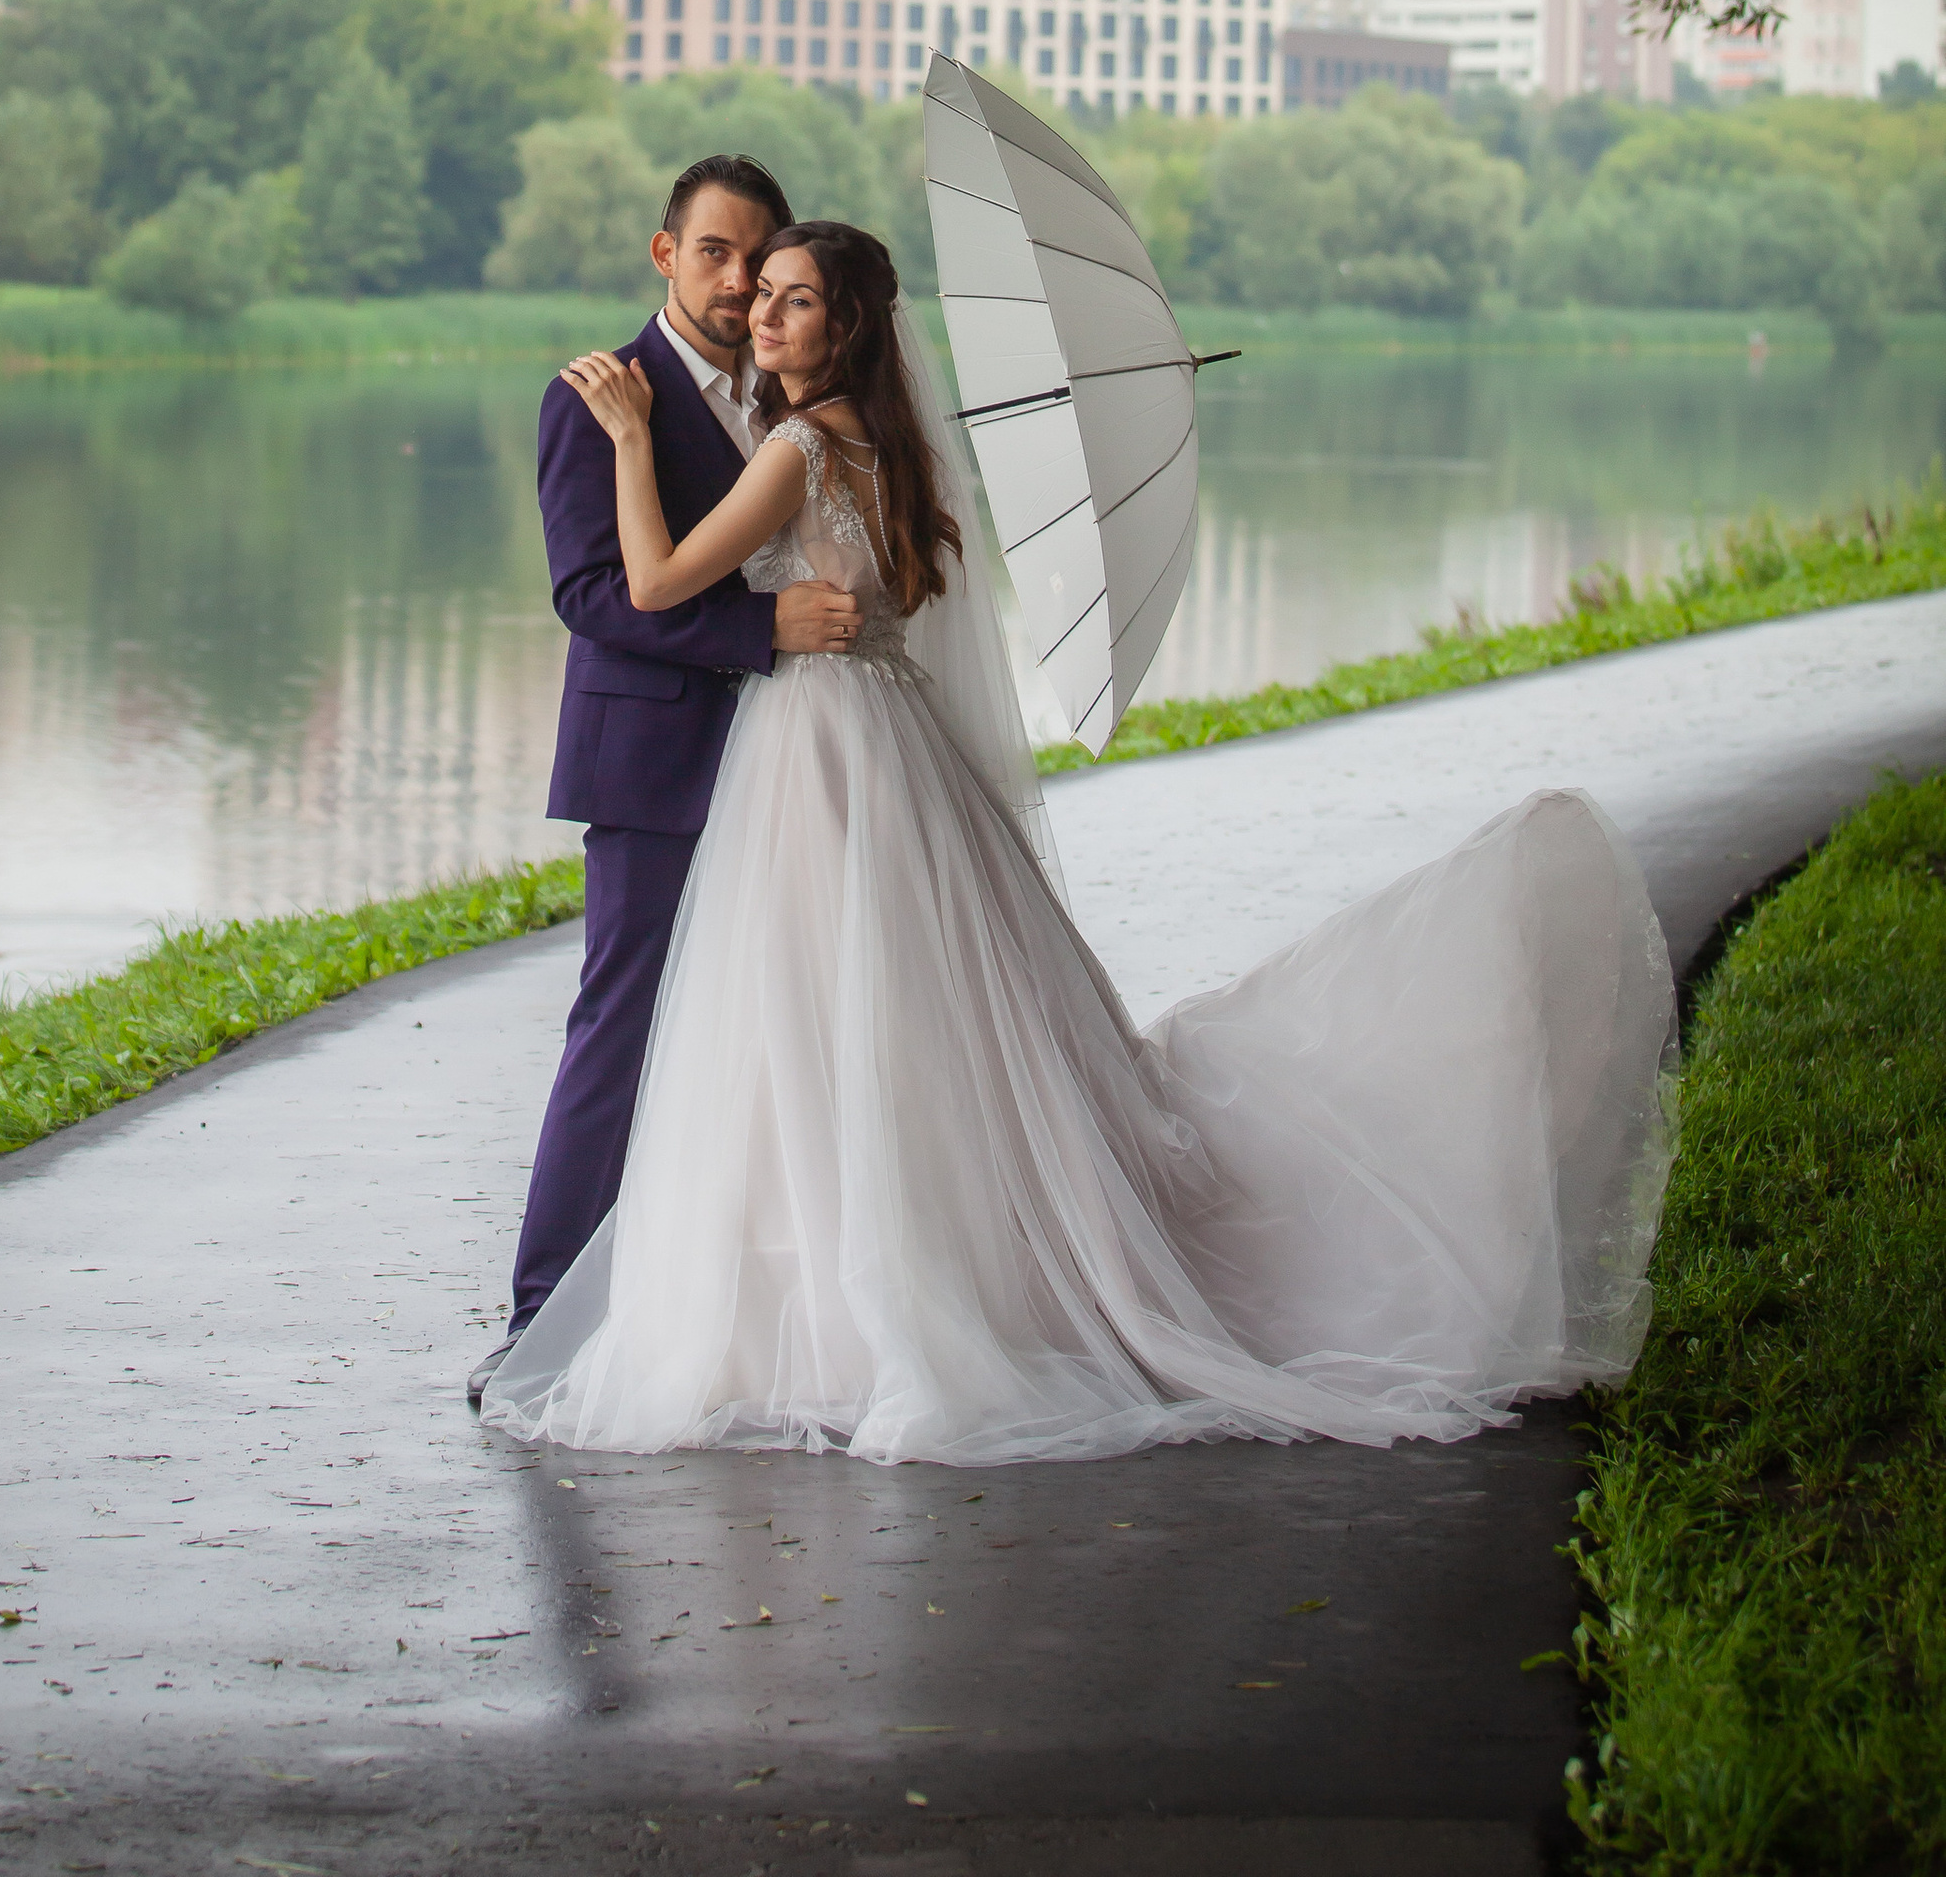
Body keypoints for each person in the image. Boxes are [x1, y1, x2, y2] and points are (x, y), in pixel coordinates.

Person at [483, 217, 1678, 1467]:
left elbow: (657, 580)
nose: (763, 316)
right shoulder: (885, 453)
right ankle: (894, 1271)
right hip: (887, 745)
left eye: (790, 301)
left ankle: (829, 1298)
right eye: (758, 293)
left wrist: (631, 439)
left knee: (799, 1015)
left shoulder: (790, 445)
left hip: (813, 748)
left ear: (844, 329)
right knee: (885, 1017)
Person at [468, 156, 867, 1412]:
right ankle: (540, 1321)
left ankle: (719, 1310)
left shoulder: (798, 397)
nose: (739, 279)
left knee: (770, 1043)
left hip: (790, 775)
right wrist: (762, 633)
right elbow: (592, 595)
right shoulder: (597, 396)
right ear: (664, 254)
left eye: (758, 258)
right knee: (622, 1034)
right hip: (654, 766)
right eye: (713, 252)